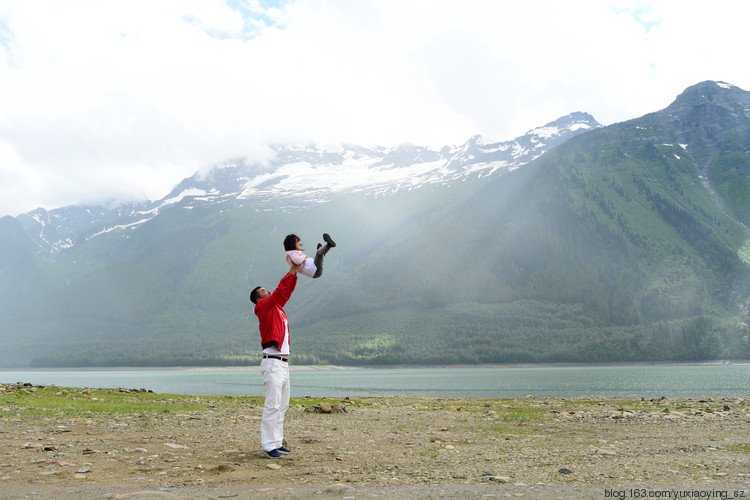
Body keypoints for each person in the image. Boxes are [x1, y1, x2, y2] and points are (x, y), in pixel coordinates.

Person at [249, 261, 300, 458]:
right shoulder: (262, 307)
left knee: (283, 405)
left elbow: (285, 293)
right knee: (272, 404)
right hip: (272, 362)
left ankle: (277, 442)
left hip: (283, 364)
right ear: (257, 297)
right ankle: (268, 445)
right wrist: (292, 269)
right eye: (263, 290)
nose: (267, 290)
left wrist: (294, 276)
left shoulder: (277, 307)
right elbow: (280, 292)